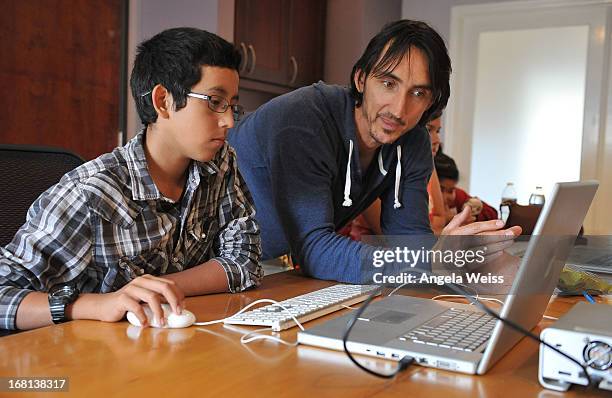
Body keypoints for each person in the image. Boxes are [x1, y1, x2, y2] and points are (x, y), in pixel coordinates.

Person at [0, 28, 262, 331]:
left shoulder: (220, 163)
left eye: (232, 105)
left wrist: (156, 288)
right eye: (215, 101)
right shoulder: (91, 193)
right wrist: (99, 303)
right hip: (91, 362)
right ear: (163, 101)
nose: (228, 120)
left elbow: (245, 262)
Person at [228, 20, 520, 283]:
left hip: (262, 270)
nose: (398, 109)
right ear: (360, 79)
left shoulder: (413, 141)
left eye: (418, 93)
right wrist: (431, 260)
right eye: (388, 83)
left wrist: (464, 256)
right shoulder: (303, 120)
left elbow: (408, 244)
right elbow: (314, 250)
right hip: (211, 259)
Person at [434, 151, 498, 223]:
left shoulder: (458, 196)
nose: (444, 198)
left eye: (450, 191)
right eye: (440, 189)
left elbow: (492, 214)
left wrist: (474, 212)